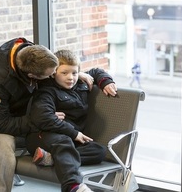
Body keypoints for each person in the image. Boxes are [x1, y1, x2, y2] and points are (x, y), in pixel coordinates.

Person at [0, 38, 94, 192]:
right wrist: (38, 120)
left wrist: (80, 75)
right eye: (51, 74)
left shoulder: (34, 54)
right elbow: (2, 124)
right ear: (32, 76)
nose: (53, 76)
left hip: (5, 116)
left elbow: (59, 68)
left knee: (6, 155)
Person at [25, 49, 118, 192]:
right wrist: (74, 133)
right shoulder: (47, 90)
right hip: (42, 137)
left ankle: (50, 158)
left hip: (66, 141)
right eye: (64, 73)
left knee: (99, 151)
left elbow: (96, 72)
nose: (70, 78)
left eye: (74, 73)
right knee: (64, 143)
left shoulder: (81, 84)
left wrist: (105, 82)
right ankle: (73, 186)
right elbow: (42, 117)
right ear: (54, 72)